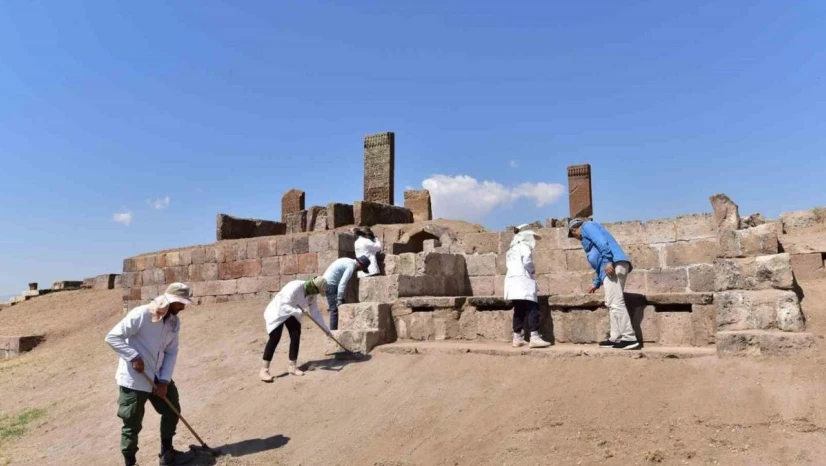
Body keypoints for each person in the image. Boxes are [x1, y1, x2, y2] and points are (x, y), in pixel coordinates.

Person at [104, 282, 195, 466]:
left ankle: (167, 454)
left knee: (172, 410)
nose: (183, 307)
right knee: (132, 424)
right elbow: (112, 337)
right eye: (180, 303)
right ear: (170, 301)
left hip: (158, 375)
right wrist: (133, 356)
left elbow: (171, 351)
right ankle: (130, 462)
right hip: (134, 379)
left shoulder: (173, 322)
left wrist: (163, 381)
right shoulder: (142, 314)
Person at [567, 218, 639, 350]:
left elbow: (602, 243)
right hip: (612, 266)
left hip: (614, 264)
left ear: (574, 230)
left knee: (616, 303)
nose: (576, 238)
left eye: (573, 235)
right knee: (611, 303)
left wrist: (607, 261)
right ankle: (615, 338)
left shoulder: (587, 226)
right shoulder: (587, 236)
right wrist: (596, 282)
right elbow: (598, 264)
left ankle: (629, 338)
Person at [259, 276, 330, 382]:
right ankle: (264, 370)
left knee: (295, 335)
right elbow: (284, 305)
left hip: (293, 313)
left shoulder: (312, 294)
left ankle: (292, 366)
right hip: (278, 311)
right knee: (275, 338)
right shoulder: (295, 286)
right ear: (314, 286)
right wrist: (299, 312)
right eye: (317, 291)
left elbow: (315, 312)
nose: (317, 294)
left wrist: (325, 329)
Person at [504, 227, 551, 348]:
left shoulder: (511, 249)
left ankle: (517, 337)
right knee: (532, 307)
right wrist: (532, 270)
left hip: (512, 281)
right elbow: (527, 262)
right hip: (523, 280)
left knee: (518, 309)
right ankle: (534, 336)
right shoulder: (524, 247)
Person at [322, 255, 371, 330]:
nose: (360, 270)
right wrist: (339, 298)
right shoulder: (351, 266)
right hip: (330, 284)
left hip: (329, 282)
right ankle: (333, 334)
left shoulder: (348, 261)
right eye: (362, 269)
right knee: (334, 310)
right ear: (360, 265)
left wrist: (341, 298)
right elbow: (343, 282)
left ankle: (343, 329)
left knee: (342, 305)